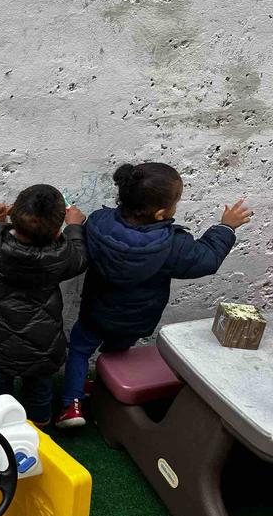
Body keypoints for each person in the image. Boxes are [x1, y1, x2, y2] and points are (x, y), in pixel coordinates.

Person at [56, 162, 253, 427]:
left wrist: (75, 226)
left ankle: (72, 405)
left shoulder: (98, 223)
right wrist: (225, 227)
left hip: (96, 310)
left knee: (79, 349)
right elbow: (206, 259)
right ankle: (105, 392)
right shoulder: (172, 244)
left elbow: (82, 240)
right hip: (136, 318)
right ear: (161, 213)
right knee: (116, 354)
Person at [0, 185, 88, 426]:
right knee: (40, 390)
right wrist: (73, 227)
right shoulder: (61, 256)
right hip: (41, 343)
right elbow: (80, 257)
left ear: (14, 216)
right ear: (55, 231)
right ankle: (40, 429)